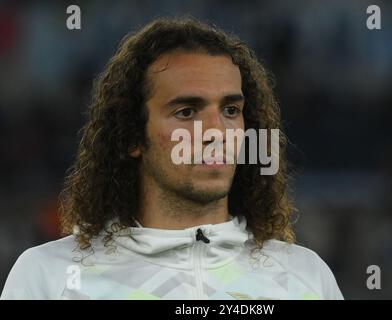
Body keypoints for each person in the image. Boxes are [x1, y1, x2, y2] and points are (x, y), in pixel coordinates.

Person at [1, 17, 343, 300]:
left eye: (230, 109)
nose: (215, 131)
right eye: (186, 111)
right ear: (133, 136)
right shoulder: (49, 277)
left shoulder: (305, 278)